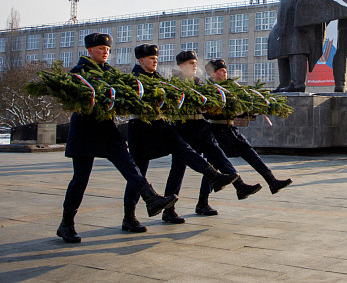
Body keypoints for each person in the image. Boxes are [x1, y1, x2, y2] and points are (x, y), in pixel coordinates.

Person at [57, 33, 178, 244]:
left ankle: (145, 202)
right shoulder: (78, 73)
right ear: (90, 51)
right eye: (101, 48)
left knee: (130, 166)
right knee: (80, 180)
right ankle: (66, 224)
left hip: (106, 128)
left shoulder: (112, 74)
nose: (106, 51)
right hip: (84, 129)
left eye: (108, 49)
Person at [123, 45, 239, 230]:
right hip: (142, 128)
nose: (155, 60)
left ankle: (213, 177)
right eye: (151, 58)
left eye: (156, 57)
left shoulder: (163, 79)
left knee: (185, 151)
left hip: (163, 125)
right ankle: (129, 216)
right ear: (141, 60)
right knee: (139, 171)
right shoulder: (135, 79)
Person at [168, 51, 262, 219]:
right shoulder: (175, 82)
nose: (194, 65)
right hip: (182, 127)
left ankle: (238, 185)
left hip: (199, 126)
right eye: (190, 63)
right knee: (178, 169)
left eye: (195, 62)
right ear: (181, 66)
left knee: (217, 155)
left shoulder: (198, 82)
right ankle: (169, 209)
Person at [203, 59, 292, 213]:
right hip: (216, 129)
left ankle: (272, 181)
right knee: (213, 168)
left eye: (225, 70)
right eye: (221, 70)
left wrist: (252, 110)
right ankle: (202, 202)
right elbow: (208, 112)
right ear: (212, 73)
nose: (224, 72)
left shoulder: (232, 85)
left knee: (249, 153)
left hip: (230, 127)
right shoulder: (210, 89)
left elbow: (244, 102)